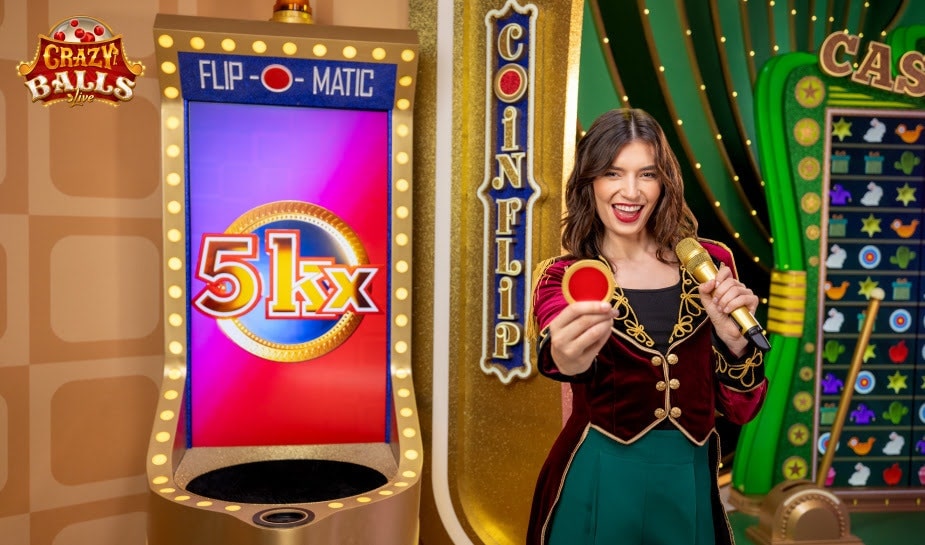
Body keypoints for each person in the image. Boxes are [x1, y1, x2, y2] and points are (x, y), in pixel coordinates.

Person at [526, 108, 768, 545]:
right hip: (599, 475)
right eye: (613, 173)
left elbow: (742, 410)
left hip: (688, 479)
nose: (631, 191)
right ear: (589, 183)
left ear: (665, 183)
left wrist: (736, 346)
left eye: (647, 174)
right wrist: (567, 351)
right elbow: (559, 354)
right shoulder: (564, 276)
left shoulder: (710, 264)